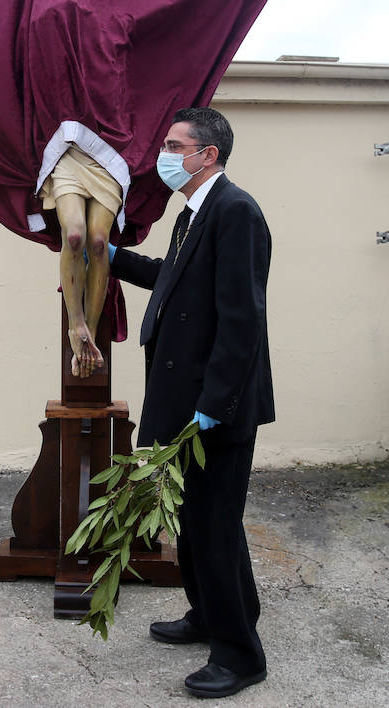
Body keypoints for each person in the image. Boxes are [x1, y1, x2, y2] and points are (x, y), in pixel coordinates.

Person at [109, 107, 275, 699]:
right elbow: (174, 279)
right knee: (198, 522)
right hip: (186, 397)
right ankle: (210, 615)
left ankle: (239, 655)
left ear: (209, 154)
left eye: (175, 146)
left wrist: (216, 401)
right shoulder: (193, 214)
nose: (165, 156)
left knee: (214, 525)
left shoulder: (236, 211)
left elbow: (242, 317)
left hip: (215, 403)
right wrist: (113, 257)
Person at [39, 143, 122, 377]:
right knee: (74, 236)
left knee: (98, 243)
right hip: (68, 152)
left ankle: (90, 331)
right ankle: (76, 326)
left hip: (107, 157)